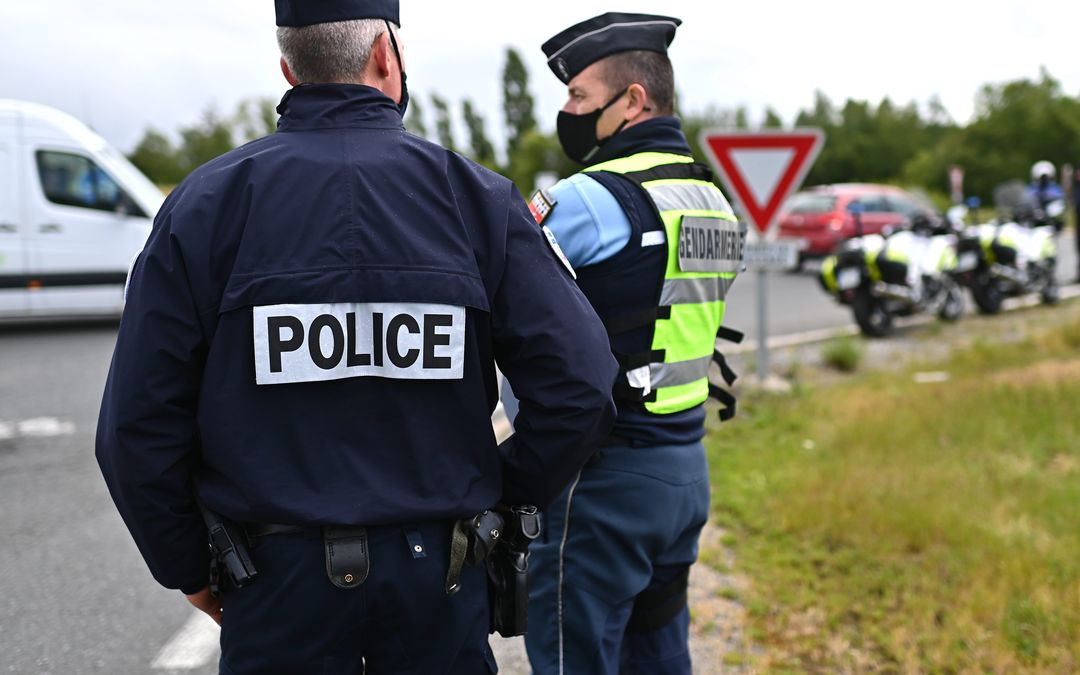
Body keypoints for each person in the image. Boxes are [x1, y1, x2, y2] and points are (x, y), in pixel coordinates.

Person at [94, 1, 618, 672]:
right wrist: (496, 496)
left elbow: (135, 428)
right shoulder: (477, 200)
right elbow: (579, 387)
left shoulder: (204, 206)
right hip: (441, 576)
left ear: (289, 68)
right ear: (385, 57)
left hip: (271, 583)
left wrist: (188, 566)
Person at [523, 12, 744, 674]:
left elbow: (500, 305)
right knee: (659, 655)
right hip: (685, 473)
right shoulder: (712, 201)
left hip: (606, 487)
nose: (567, 112)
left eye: (579, 97)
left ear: (634, 101)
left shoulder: (592, 198)